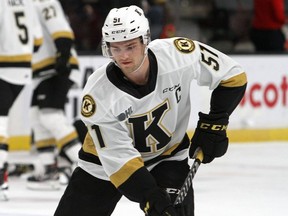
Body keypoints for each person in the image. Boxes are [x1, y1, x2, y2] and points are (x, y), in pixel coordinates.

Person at [54, 5, 247, 216]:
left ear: (145, 40)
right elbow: (120, 160)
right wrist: (149, 196)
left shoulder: (178, 55)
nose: (123, 56)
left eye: (130, 46)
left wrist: (215, 123)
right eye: (115, 48)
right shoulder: (98, 94)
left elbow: (233, 76)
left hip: (168, 156)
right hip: (102, 166)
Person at [26, 0, 82, 190]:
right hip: (41, 71)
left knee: (50, 116)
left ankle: (83, 163)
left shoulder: (45, 1)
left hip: (56, 67)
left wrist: (63, 57)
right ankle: (50, 168)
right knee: (36, 117)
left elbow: (61, 30)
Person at [0, 0, 43, 201]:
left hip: (3, 67)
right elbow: (37, 41)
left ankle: (1, 178)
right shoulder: (28, 2)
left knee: (0, 124)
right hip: (23, 70)